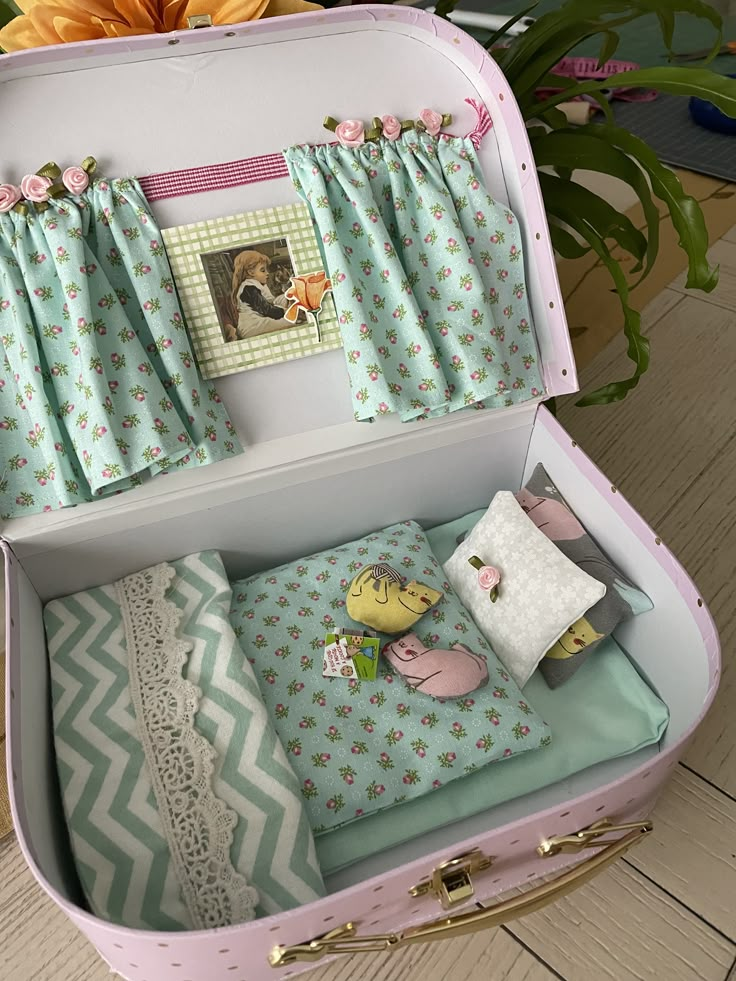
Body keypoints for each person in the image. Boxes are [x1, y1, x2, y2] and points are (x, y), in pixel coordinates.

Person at [231, 250, 291, 340]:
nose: (267, 273)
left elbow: (271, 300)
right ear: (251, 272)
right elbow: (265, 309)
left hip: (257, 322)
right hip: (252, 326)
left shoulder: (256, 284)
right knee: (290, 322)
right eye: (263, 270)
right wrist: (286, 312)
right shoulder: (249, 287)